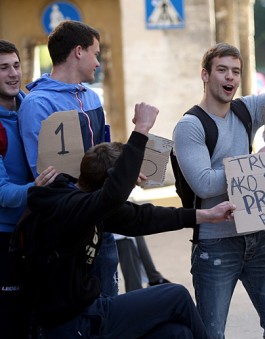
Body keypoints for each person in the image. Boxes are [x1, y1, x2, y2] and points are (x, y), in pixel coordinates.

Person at [19, 102, 236, 338]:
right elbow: (113, 195)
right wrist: (141, 128)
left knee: (177, 333)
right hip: (72, 324)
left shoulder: (89, 205)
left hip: (88, 316)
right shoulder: (71, 209)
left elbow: (144, 218)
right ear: (109, 183)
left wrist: (206, 215)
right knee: (176, 296)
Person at [172, 12, 265, 338]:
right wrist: (253, 167)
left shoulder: (246, 109)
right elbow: (204, 183)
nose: (230, 77)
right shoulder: (190, 126)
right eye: (222, 70)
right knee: (211, 334)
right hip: (216, 246)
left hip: (260, 237)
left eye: (235, 71)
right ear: (205, 75)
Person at [18, 20, 119, 298]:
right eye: (95, 53)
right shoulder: (37, 104)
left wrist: (123, 170)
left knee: (110, 308)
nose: (98, 62)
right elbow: (47, 176)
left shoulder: (93, 98)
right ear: (78, 51)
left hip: (101, 219)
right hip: (67, 229)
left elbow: (103, 153)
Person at [0, 39, 58, 339]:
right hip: (6, 237)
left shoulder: (32, 107)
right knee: (12, 322)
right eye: (3, 68)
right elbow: (2, 193)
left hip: (38, 231)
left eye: (16, 65)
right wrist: (34, 188)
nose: (13, 74)